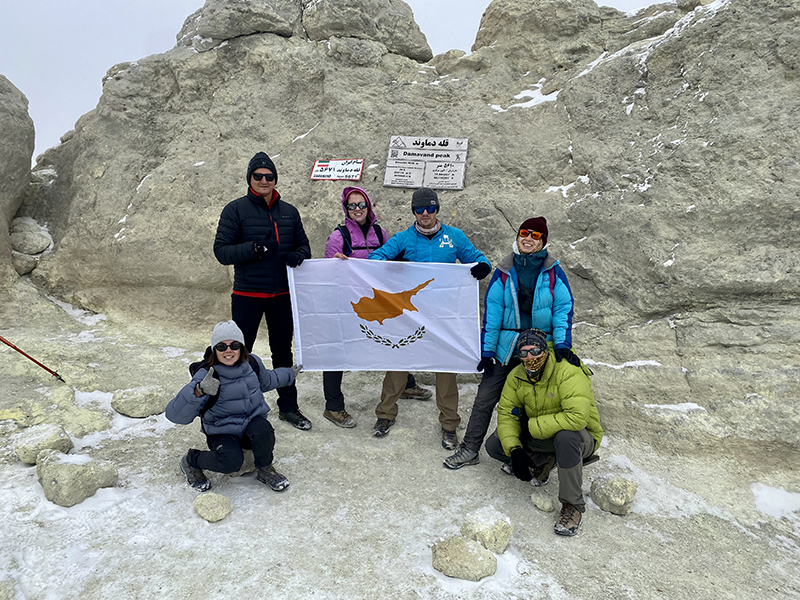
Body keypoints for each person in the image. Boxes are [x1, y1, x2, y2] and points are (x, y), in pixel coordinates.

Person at [444, 216, 579, 469]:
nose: (528, 238)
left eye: (535, 235)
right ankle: (470, 449)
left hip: (539, 349)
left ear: (543, 241)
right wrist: (487, 351)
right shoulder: (504, 271)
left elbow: (563, 310)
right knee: (485, 399)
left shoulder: (553, 273)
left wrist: (562, 345)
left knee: (535, 405)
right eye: (524, 233)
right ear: (517, 236)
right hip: (507, 347)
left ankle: (533, 457)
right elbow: (492, 313)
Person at [368, 187, 492, 449]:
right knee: (397, 364)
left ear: (437, 210)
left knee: (446, 370)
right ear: (413, 211)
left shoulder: (453, 237)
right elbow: (374, 259)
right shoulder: (403, 239)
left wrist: (482, 267)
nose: (425, 214)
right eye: (420, 209)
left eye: (431, 208)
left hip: (443, 316)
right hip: (410, 316)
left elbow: (478, 258)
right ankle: (385, 414)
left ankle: (449, 425)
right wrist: (391, 265)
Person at [213, 152, 312, 431]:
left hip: (281, 295)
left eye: (269, 176)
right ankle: (229, 407)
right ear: (250, 179)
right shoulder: (235, 210)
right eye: (258, 176)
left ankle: (289, 408)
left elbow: (304, 246)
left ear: (275, 179)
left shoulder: (289, 212)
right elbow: (221, 251)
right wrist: (253, 249)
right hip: (248, 295)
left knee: (282, 352)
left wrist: (298, 255)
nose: (264, 180)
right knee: (238, 352)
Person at [322, 186, 432, 428]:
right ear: (346, 208)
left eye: (361, 204)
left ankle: (406, 385)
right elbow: (328, 272)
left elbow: (392, 259)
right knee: (337, 352)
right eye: (352, 205)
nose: (358, 209)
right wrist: (333, 263)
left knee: (394, 339)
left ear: (368, 206)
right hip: (351, 304)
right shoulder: (338, 237)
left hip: (378, 302)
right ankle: (333, 407)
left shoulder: (381, 233)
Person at [485, 328, 603, 536]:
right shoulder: (517, 376)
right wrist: (515, 450)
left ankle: (572, 506)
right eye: (524, 353)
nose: (530, 357)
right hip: (544, 434)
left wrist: (532, 428)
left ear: (545, 350)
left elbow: (577, 417)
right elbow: (507, 414)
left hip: (580, 437)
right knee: (495, 445)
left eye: (535, 350)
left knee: (566, 438)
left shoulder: (567, 370)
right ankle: (545, 461)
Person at [166, 320, 301, 492]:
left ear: (241, 347)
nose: (228, 350)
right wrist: (198, 391)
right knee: (231, 462)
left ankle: (265, 469)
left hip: (249, 425)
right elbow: (175, 415)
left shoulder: (252, 363)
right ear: (215, 349)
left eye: (234, 345)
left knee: (264, 429)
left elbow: (267, 380)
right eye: (221, 346)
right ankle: (192, 460)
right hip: (221, 430)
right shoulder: (207, 374)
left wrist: (289, 373)